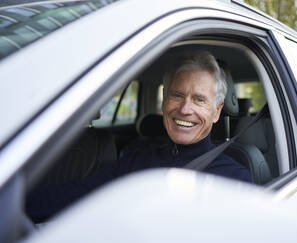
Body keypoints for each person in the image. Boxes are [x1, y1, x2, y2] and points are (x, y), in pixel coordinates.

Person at [26, 51, 251, 221]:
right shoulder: (137, 157)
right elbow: (79, 194)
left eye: (199, 99)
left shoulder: (234, 179)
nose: (184, 109)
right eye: (177, 95)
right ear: (165, 100)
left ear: (217, 111)